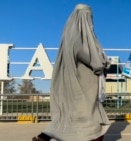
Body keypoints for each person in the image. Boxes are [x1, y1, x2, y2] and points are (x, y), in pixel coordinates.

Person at [32, 3, 111, 141]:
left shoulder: (67, 36)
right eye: (89, 17)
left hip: (70, 87)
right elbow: (95, 62)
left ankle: (45, 136)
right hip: (84, 89)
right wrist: (106, 63)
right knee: (92, 123)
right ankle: (46, 136)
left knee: (69, 118)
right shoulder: (80, 39)